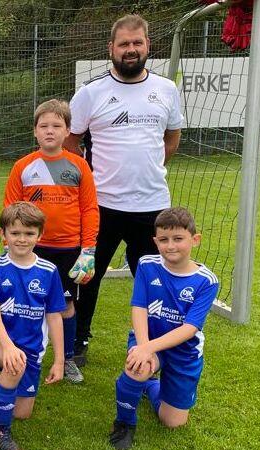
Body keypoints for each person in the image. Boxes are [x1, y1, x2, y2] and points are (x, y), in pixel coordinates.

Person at [64, 13, 183, 366]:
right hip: (101, 206)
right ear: (111, 49)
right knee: (87, 275)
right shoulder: (91, 93)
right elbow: (70, 144)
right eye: (124, 44)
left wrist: (147, 170)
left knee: (155, 280)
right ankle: (78, 342)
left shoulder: (166, 90)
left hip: (152, 206)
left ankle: (155, 344)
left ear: (148, 46)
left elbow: (171, 139)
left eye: (137, 43)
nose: (131, 50)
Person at [4, 99, 99, 384]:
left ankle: (67, 357)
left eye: (57, 126)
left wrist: (88, 249)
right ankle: (15, 355)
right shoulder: (23, 166)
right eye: (43, 126)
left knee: (65, 305)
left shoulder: (79, 166)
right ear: (35, 131)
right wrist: (8, 245)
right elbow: (10, 208)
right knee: (24, 301)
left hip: (68, 249)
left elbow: (89, 209)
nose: (50, 131)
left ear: (68, 130)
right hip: (31, 249)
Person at [109, 207, 218, 450]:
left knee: (172, 422)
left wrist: (147, 348)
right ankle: (125, 424)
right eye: (164, 240)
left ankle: (149, 386)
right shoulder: (147, 265)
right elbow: (139, 307)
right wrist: (143, 347)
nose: (171, 246)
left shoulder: (207, 281)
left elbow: (190, 328)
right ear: (155, 241)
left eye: (178, 239)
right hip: (147, 339)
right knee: (139, 365)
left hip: (184, 352)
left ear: (195, 239)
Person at [0, 202, 65, 450]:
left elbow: (54, 317)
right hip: (1, 343)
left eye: (29, 233)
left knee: (23, 413)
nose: (21, 239)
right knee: (14, 364)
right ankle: (0, 430)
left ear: (40, 235)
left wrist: (60, 360)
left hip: (32, 350)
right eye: (15, 233)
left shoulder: (48, 271)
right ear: (3, 235)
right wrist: (7, 347)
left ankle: (3, 379)